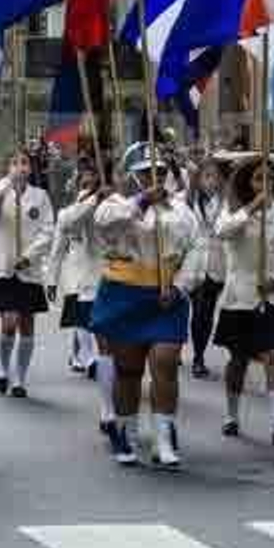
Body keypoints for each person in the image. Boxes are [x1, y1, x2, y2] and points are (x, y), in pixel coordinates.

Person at [91, 142, 199, 468]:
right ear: (133, 175)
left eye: (161, 171)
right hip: (126, 293)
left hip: (167, 297)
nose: (155, 177)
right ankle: (126, 431)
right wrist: (140, 201)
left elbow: (197, 249)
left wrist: (181, 287)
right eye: (146, 172)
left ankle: (164, 439)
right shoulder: (116, 203)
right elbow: (104, 223)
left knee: (165, 363)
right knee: (129, 371)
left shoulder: (181, 210)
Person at [212, 153, 274, 447]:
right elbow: (223, 232)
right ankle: (231, 414)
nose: (265, 184)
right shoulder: (233, 212)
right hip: (240, 296)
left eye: (270, 178)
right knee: (238, 360)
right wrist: (252, 208)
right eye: (258, 178)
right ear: (246, 182)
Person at [0, 149, 54, 398]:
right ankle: (3, 369)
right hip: (3, 268)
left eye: (24, 163)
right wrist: (7, 183)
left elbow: (48, 231)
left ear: (31, 168)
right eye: (14, 162)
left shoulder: (40, 197)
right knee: (9, 323)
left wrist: (29, 256)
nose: (20, 167)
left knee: (27, 325)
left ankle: (19, 378)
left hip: (28, 270)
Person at [56, 160, 110, 429]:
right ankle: (87, 358)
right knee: (81, 320)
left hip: (107, 276)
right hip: (78, 272)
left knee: (95, 326)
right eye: (84, 183)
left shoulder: (111, 207)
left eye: (93, 183)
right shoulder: (74, 209)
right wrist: (51, 278)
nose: (88, 187)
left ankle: (89, 358)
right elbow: (66, 229)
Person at [184, 158, 227, 379]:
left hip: (216, 262)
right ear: (199, 179)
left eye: (215, 176)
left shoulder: (227, 200)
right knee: (195, 309)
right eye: (206, 176)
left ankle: (199, 356)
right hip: (194, 262)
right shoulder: (191, 199)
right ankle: (191, 350)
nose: (211, 181)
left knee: (205, 311)